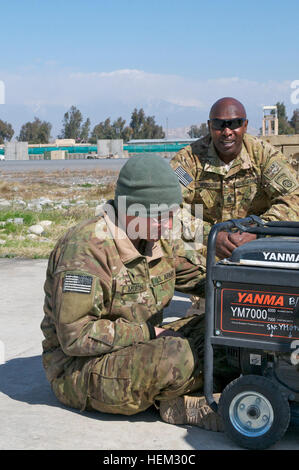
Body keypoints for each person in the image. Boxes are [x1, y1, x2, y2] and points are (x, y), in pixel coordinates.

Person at [40, 154, 226, 432]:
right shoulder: (86, 248)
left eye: (171, 215)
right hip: (80, 368)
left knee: (221, 329)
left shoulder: (154, 237)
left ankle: (194, 384)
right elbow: (75, 336)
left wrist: (245, 291)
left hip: (137, 348)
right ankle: (175, 403)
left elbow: (201, 278)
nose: (168, 225)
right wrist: (150, 334)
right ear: (131, 209)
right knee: (175, 356)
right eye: (161, 216)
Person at [170, 97, 299, 315]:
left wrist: (259, 232)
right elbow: (166, 206)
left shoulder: (263, 155)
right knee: (160, 242)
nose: (227, 131)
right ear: (210, 126)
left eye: (235, 123)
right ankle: (206, 300)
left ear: (245, 126)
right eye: (220, 124)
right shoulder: (189, 160)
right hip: (207, 253)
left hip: (257, 249)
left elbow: (294, 197)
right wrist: (211, 235)